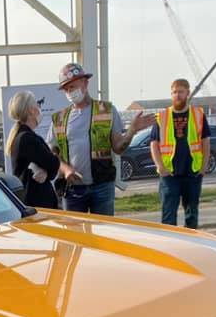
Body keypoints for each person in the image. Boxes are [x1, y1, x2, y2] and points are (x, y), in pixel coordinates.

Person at [47, 63, 155, 215]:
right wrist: (66, 170)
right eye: (66, 89)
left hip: (102, 187)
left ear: (85, 83)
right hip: (73, 189)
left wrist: (131, 131)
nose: (70, 92)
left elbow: (118, 147)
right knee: (76, 235)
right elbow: (53, 153)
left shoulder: (107, 110)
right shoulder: (59, 118)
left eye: (73, 86)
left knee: (103, 233)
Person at [149, 78, 211, 229]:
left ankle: (191, 246)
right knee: (168, 215)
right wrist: (160, 167)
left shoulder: (198, 115)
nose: (177, 95)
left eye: (181, 92)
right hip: (170, 174)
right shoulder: (162, 117)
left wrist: (204, 166)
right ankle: (170, 246)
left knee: (192, 214)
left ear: (188, 93)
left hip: (193, 173)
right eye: (174, 92)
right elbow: (154, 144)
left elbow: (206, 142)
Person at [5, 91, 61, 208]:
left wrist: (46, 172)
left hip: (31, 200)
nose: (39, 108)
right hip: (38, 202)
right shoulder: (28, 139)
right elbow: (53, 163)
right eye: (37, 105)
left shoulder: (20, 136)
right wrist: (53, 160)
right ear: (31, 110)